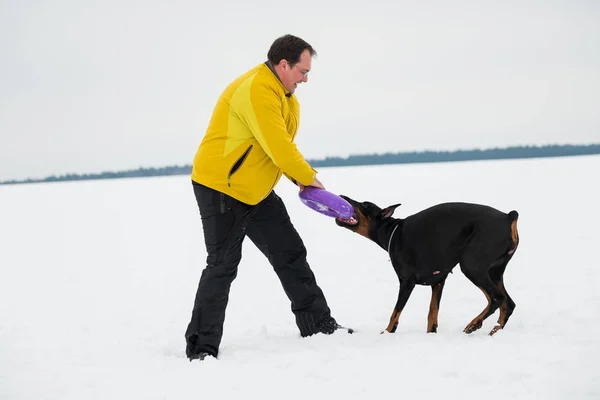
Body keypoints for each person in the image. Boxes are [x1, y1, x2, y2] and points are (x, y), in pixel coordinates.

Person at [184, 34, 352, 361]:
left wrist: (300, 182)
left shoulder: (286, 96)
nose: (306, 78)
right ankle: (201, 348)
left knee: (289, 251)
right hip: (222, 187)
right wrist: (310, 181)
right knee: (222, 265)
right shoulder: (257, 90)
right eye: (302, 71)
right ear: (283, 64)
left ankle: (317, 325)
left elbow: (278, 150)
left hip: (255, 189)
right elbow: (279, 146)